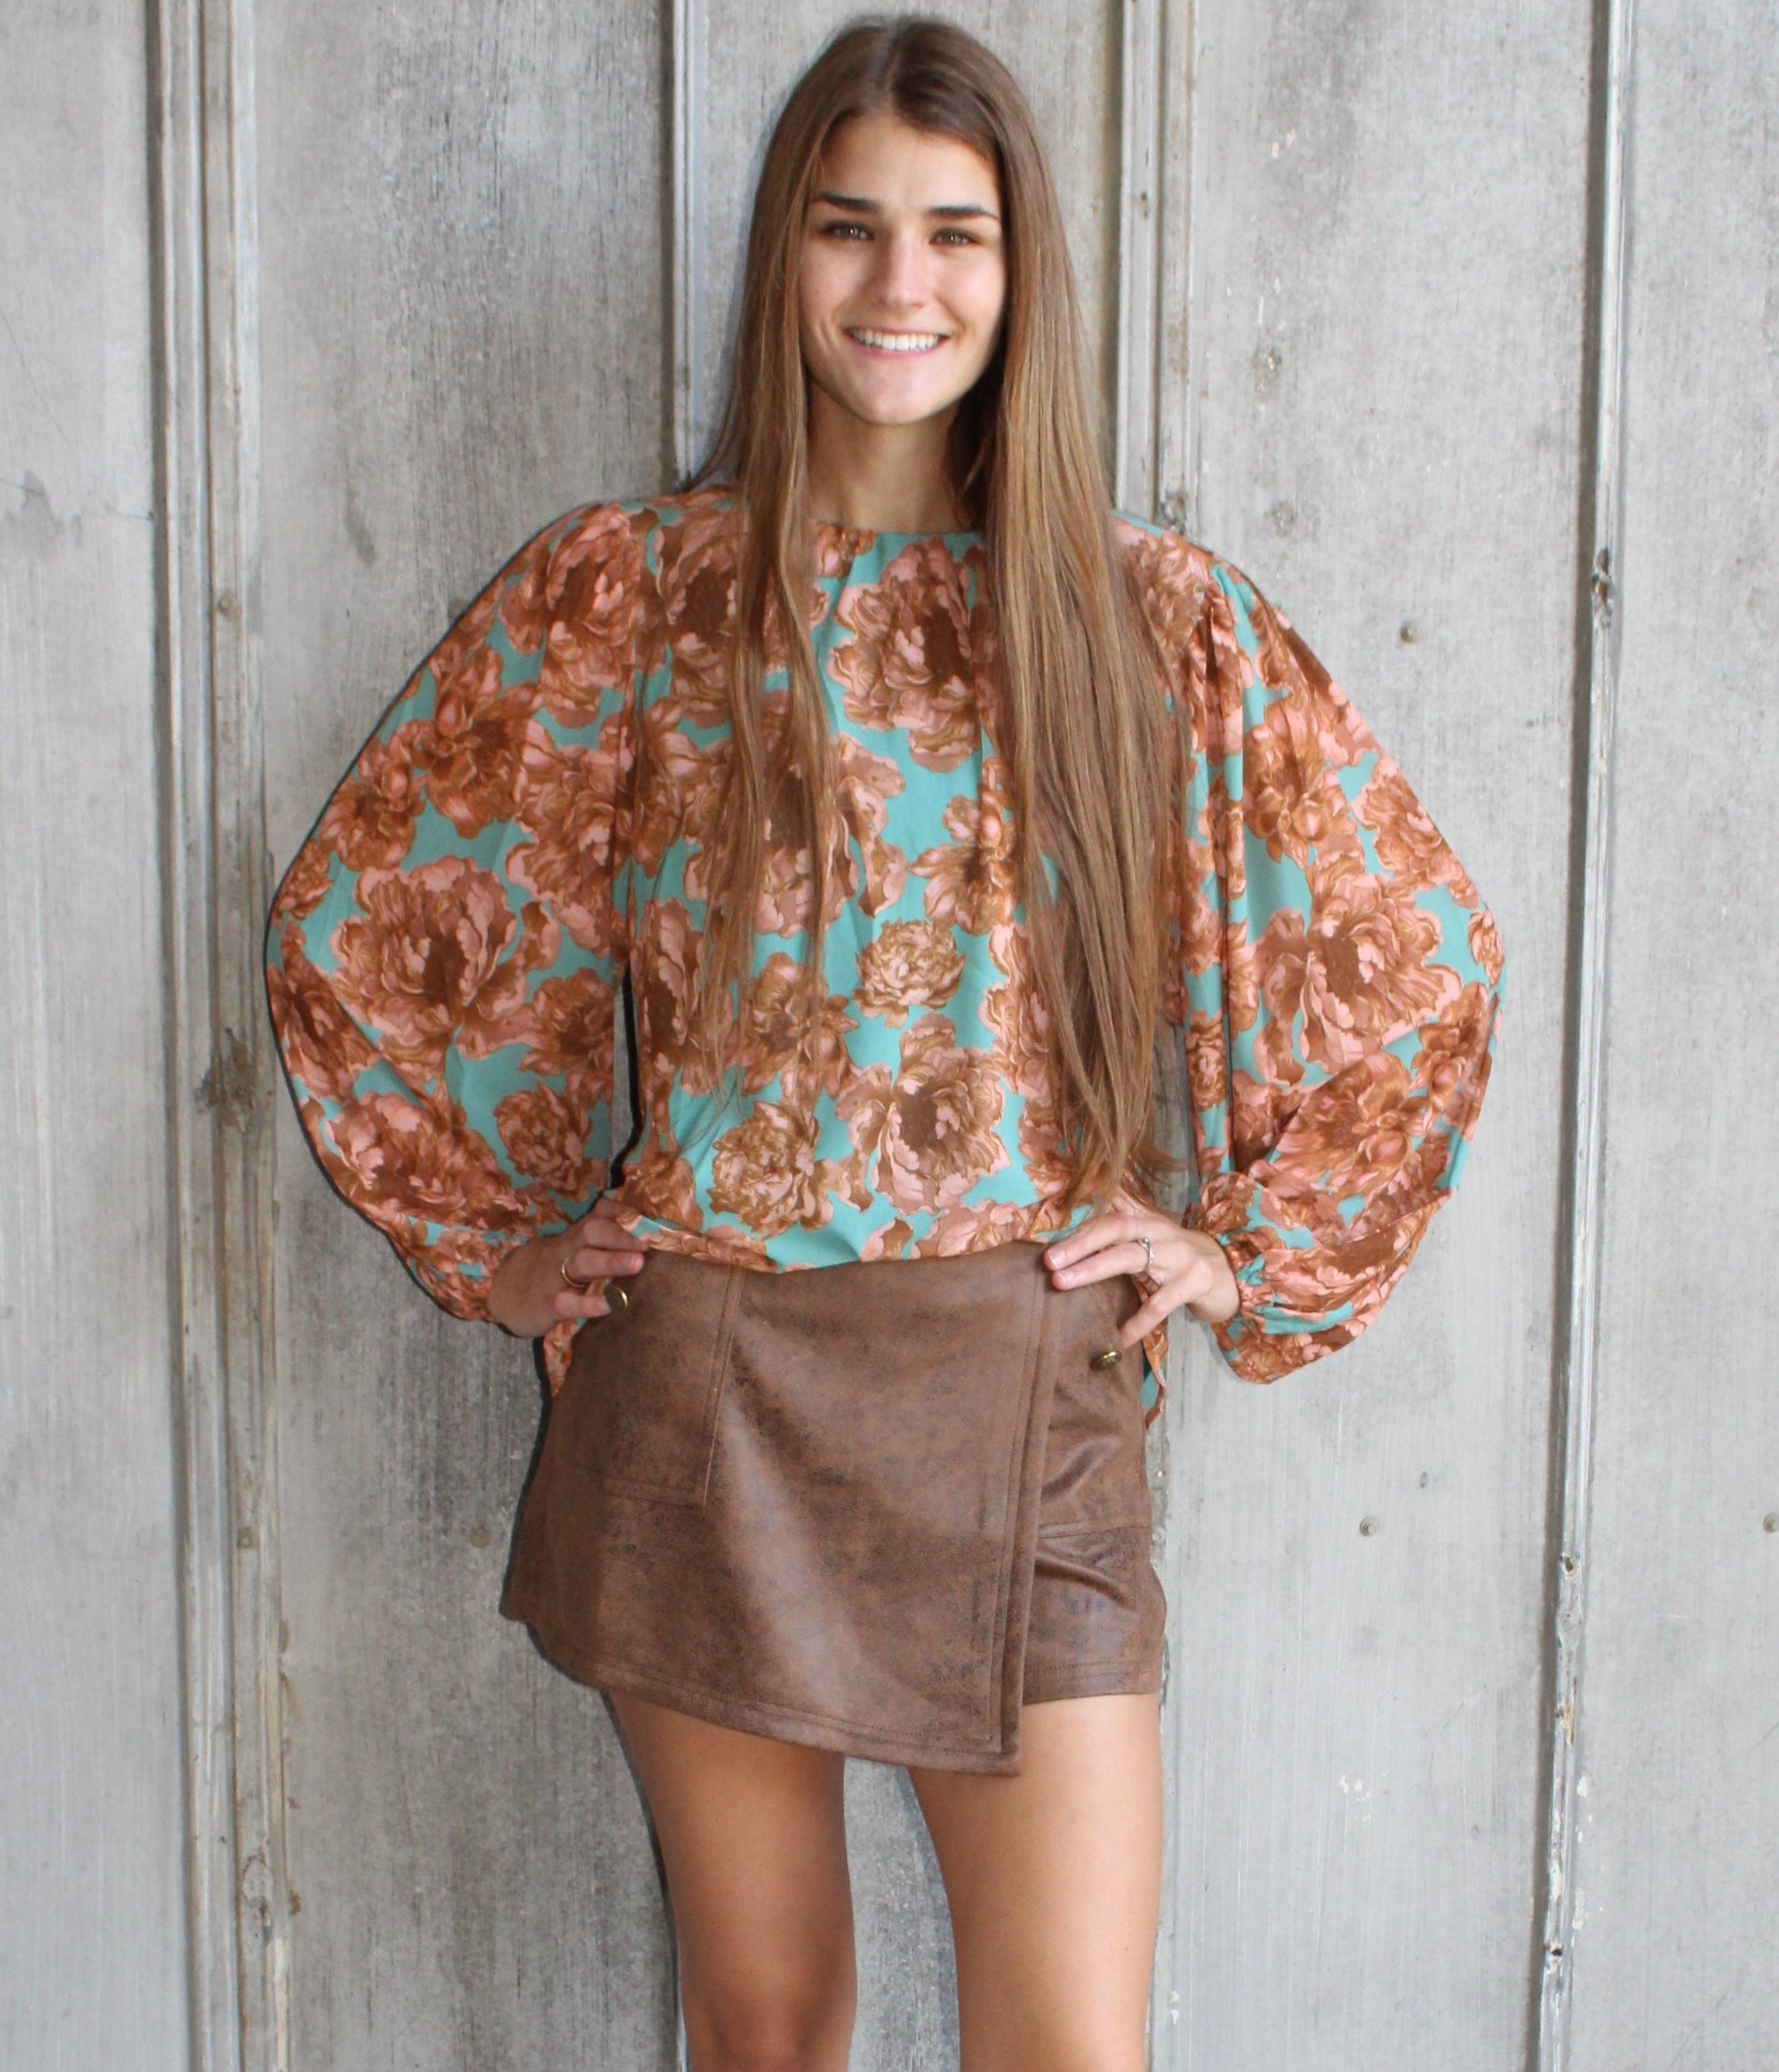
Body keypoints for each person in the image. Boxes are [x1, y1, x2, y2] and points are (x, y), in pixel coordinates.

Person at [264, 15, 1501, 2070]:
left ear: (1025, 278)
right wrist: (489, 1244)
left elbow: (1414, 960)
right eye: (849, 230)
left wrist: (1244, 1252)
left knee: (1068, 2051)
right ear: (786, 258)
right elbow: (367, 931)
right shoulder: (637, 596)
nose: (901, 287)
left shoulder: (1147, 621)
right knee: (772, 2029)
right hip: (703, 1394)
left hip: (1020, 1389)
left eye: (958, 234)